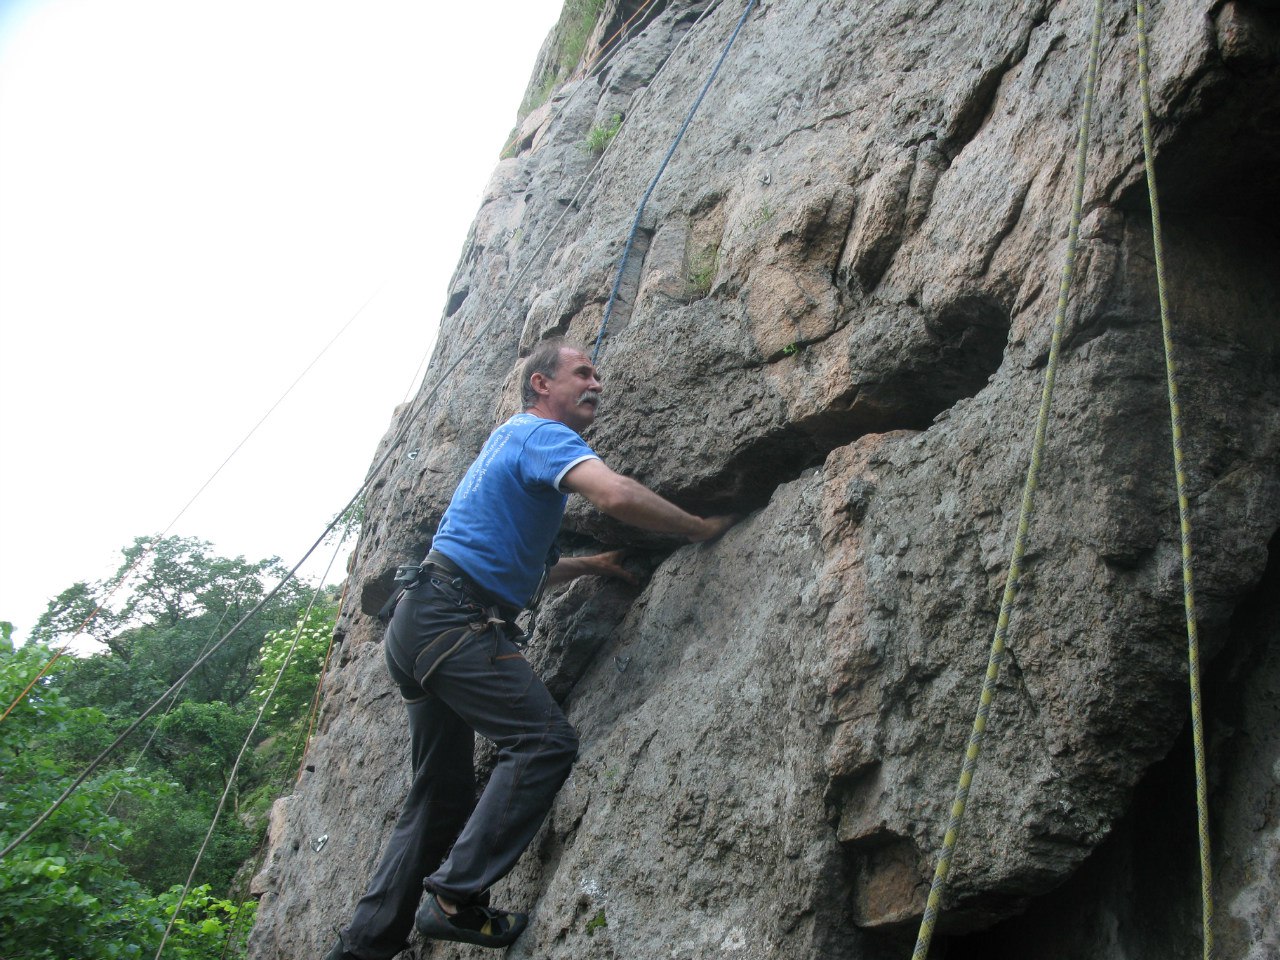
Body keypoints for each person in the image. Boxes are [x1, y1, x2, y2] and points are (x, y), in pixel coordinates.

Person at [328, 339, 736, 958]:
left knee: (438, 794)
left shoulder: (508, 442)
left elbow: (508, 569)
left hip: (419, 623)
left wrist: (591, 564)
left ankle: (361, 948)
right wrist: (700, 527)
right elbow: (616, 494)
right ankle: (454, 900)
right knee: (542, 743)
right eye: (583, 373)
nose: (596, 383)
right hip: (453, 624)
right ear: (542, 384)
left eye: (597, 374)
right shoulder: (542, 436)